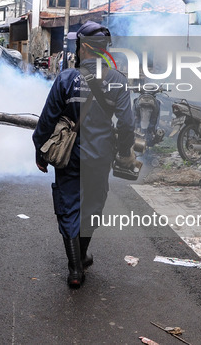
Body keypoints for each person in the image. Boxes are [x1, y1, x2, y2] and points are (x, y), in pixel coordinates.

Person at [32, 21, 136, 288]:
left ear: (83, 48)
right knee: (93, 206)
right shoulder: (118, 81)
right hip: (101, 156)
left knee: (68, 206)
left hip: (69, 156)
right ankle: (82, 255)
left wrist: (40, 150)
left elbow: (47, 120)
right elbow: (126, 124)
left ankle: (75, 267)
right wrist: (124, 153)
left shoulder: (66, 78)